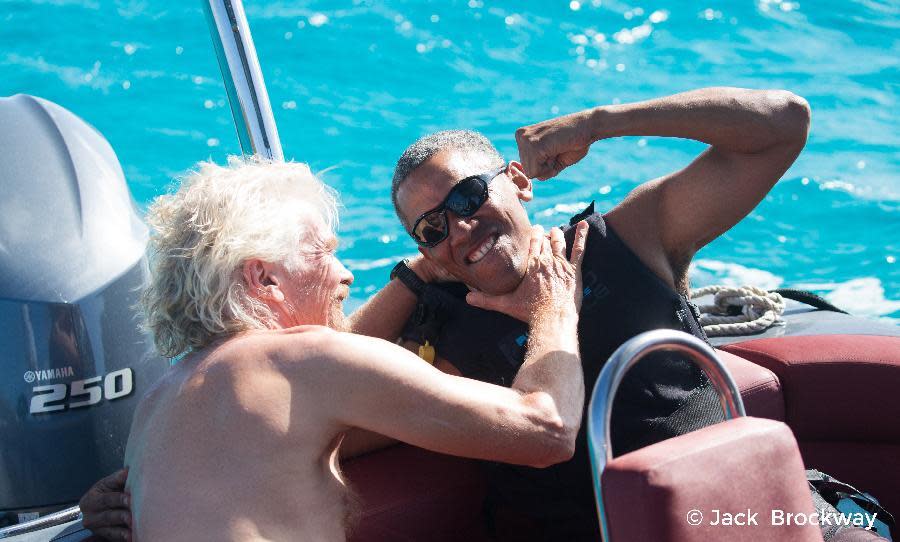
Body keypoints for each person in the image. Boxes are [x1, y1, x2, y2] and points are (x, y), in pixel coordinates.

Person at [81, 87, 812, 540]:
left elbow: (782, 125)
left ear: (518, 181)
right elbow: (305, 415)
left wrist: (602, 121)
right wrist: (132, 492)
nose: (460, 229)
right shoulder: (438, 333)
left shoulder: (628, 239)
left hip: (742, 516)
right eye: (432, 229)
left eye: (467, 198)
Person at [110, 157, 590, 541]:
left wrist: (421, 273)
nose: (346, 275)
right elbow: (546, 428)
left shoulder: (157, 406)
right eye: (323, 252)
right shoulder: (303, 362)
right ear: (265, 279)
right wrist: (555, 304)